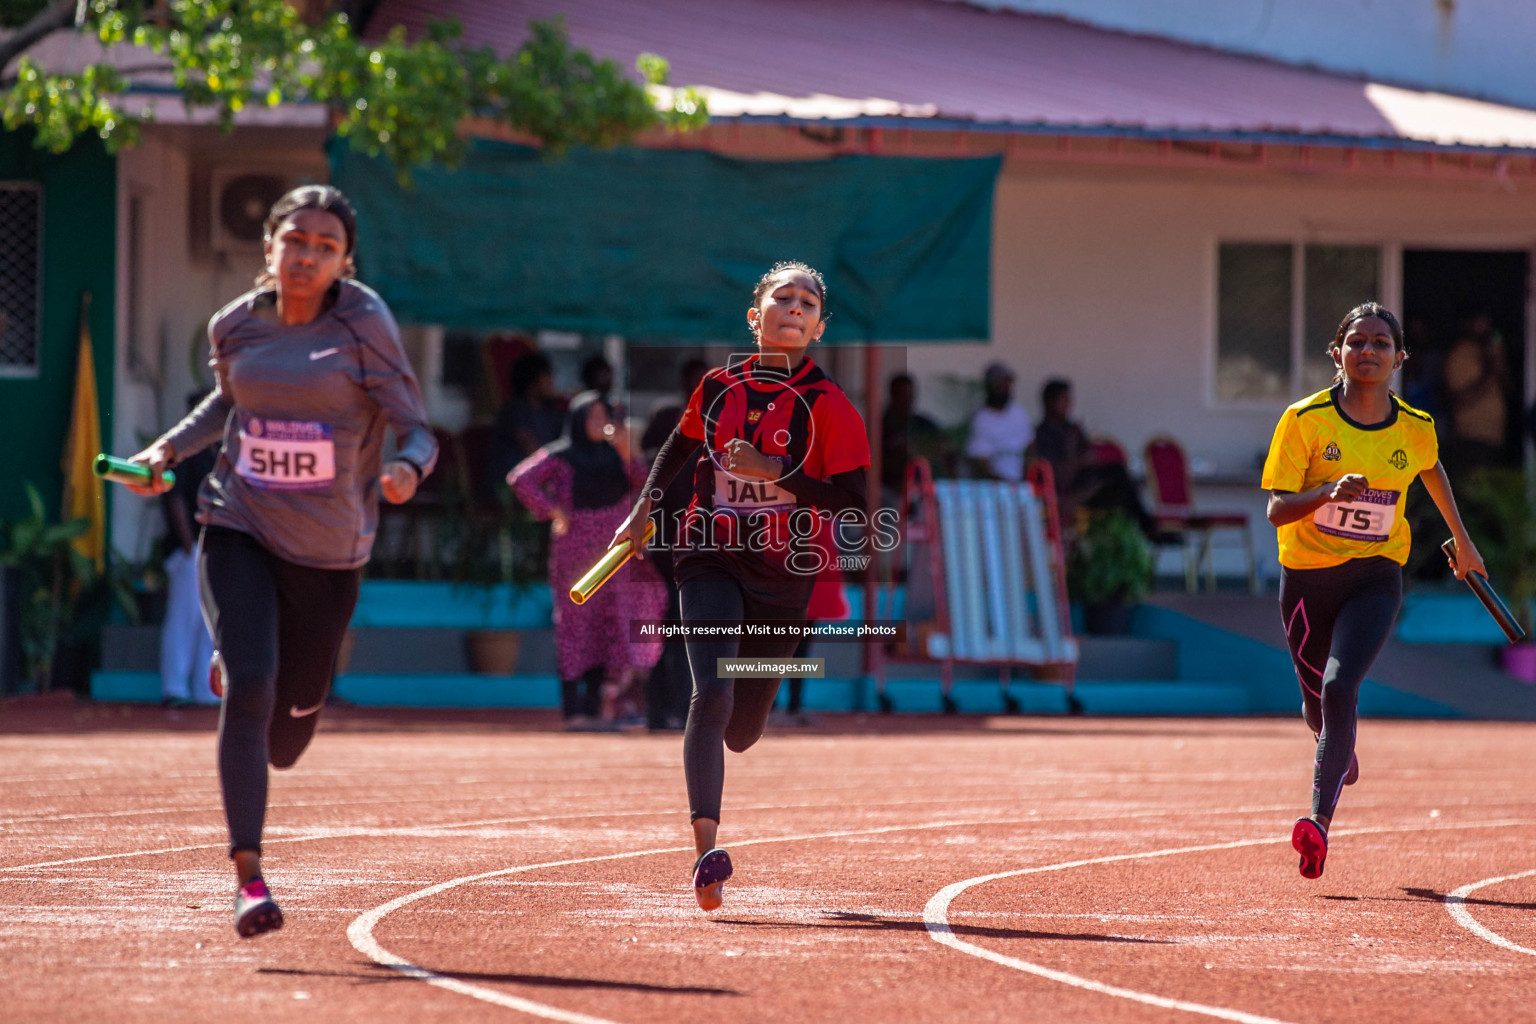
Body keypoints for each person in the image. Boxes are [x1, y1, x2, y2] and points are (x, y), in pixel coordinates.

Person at [124, 185, 437, 939]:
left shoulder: (363, 322)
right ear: (269, 244)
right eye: (294, 240)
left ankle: (248, 663)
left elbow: (417, 428)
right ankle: (248, 875)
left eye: (324, 247)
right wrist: (165, 450)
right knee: (253, 686)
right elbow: (224, 405)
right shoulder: (235, 324)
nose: (306, 256)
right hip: (238, 521)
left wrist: (406, 470)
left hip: (331, 553)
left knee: (289, 736)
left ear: (344, 262)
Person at [617, 260, 870, 912]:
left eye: (807, 303)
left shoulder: (831, 408)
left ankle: (746, 707)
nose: (794, 307)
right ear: (754, 316)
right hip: (709, 554)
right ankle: (707, 849)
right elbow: (680, 441)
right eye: (781, 298)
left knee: (743, 728)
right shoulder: (719, 385)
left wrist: (775, 471)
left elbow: (855, 505)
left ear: (820, 326)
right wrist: (646, 505)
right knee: (712, 693)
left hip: (786, 580)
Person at [1262, 301, 1484, 881]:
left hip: (1374, 576)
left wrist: (1463, 541)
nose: (1368, 351)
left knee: (1341, 686)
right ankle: (1336, 747)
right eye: (1357, 342)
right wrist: (1327, 494)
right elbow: (1276, 509)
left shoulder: (1416, 427)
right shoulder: (1305, 420)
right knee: (1318, 706)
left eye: (1381, 343)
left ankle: (1318, 824)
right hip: (1307, 581)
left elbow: (1430, 467)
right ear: (1337, 353)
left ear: (1399, 358)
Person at [509, 391, 668, 730]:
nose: (600, 424)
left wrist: (628, 452)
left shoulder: (617, 455)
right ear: (579, 420)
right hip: (575, 550)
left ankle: (597, 709)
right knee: (575, 626)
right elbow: (520, 479)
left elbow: (648, 487)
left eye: (604, 417)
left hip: (614, 552)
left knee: (608, 624)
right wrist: (551, 510)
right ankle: (573, 711)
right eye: (592, 417)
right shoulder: (561, 455)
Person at [641, 357, 709, 732]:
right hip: (667, 557)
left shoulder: (717, 437)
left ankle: (679, 712)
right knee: (670, 640)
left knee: (684, 640)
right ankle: (664, 712)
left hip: (698, 554)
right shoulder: (669, 431)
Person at [1033, 378, 1156, 538]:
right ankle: (1148, 530)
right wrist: (1074, 454)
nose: (1069, 404)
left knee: (1119, 486)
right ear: (1050, 402)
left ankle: (1136, 537)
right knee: (1116, 476)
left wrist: (1081, 455)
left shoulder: (1072, 429)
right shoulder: (1043, 434)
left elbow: (1090, 456)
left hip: (1088, 485)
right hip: (1068, 493)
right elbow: (1055, 472)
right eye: (1064, 400)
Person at [158, 393, 218, 708]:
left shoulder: (222, 450)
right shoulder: (183, 451)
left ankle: (205, 691)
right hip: (189, 550)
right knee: (183, 619)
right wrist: (189, 545)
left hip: (217, 548)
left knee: (211, 621)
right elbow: (175, 499)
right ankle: (175, 689)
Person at [1442, 313, 1512, 472]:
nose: (1485, 325)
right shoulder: (1460, 354)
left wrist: (1500, 363)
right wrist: (1490, 369)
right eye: (1480, 320)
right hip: (1471, 439)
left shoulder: (1490, 352)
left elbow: (1508, 390)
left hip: (1495, 438)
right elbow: (1459, 399)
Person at [487, 351, 564, 493]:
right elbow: (530, 448)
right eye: (547, 376)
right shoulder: (514, 410)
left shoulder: (553, 413)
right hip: (509, 487)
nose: (552, 382)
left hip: (545, 482)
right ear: (533, 382)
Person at [964, 362, 1032, 482]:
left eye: (1007, 383)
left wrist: (1028, 478)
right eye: (1000, 384)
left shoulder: (1019, 413)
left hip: (1021, 484)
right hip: (994, 488)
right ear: (990, 386)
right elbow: (980, 464)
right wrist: (1006, 484)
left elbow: (1030, 448)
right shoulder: (980, 419)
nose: (1005, 388)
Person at [880, 373, 943, 498]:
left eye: (910, 394)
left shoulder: (923, 423)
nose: (908, 398)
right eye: (903, 394)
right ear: (893, 395)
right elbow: (903, 450)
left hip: (923, 487)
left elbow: (943, 447)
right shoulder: (882, 424)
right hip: (890, 489)